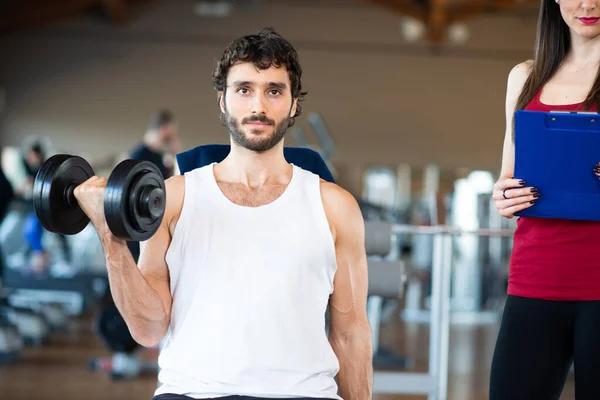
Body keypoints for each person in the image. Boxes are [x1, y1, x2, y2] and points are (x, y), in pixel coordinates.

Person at [74, 28, 373, 400]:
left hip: (302, 394)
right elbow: (149, 329)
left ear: (294, 104)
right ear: (223, 100)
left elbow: (350, 332)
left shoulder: (335, 207)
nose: (258, 106)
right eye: (244, 89)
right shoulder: (175, 197)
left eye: (274, 91)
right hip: (193, 393)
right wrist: (109, 236)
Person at [490, 0, 600, 398]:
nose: (588, 4)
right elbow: (508, 176)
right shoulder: (525, 77)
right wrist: (503, 195)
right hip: (535, 276)